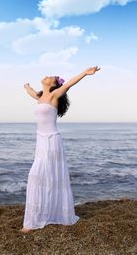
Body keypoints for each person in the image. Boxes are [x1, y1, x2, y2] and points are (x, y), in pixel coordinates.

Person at [19, 66, 101, 233]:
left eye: (52, 76)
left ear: (54, 84)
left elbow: (69, 84)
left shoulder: (55, 95)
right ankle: (47, 214)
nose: (48, 75)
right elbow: (32, 92)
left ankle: (33, 222)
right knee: (43, 176)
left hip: (52, 141)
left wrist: (85, 73)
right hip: (41, 142)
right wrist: (26, 86)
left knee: (39, 175)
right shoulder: (41, 97)